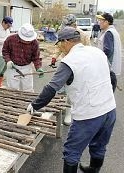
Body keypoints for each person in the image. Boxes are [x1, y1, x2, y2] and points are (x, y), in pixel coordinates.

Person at [27, 26, 116, 173]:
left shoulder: (69, 61)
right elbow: (111, 77)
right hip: (110, 110)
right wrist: (106, 98)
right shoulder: (97, 52)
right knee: (99, 145)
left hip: (89, 115)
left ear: (67, 41)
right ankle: (93, 170)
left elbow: (51, 88)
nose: (60, 47)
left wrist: (34, 105)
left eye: (60, 43)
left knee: (71, 152)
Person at [59, 14, 91, 126]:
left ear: (74, 24)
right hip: (64, 63)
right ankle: (60, 107)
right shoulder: (63, 32)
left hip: (77, 67)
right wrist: (54, 58)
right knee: (60, 89)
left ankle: (69, 112)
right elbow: (59, 47)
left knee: (71, 90)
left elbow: (88, 52)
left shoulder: (83, 36)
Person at [2, 23, 44, 92]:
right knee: (12, 90)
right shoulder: (10, 39)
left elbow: (36, 57)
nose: (27, 41)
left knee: (28, 90)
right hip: (13, 67)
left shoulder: (34, 43)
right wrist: (8, 61)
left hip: (27, 68)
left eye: (28, 40)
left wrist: (38, 68)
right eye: (25, 39)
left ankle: (28, 102)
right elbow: (5, 51)